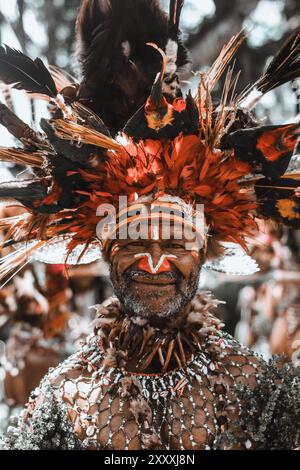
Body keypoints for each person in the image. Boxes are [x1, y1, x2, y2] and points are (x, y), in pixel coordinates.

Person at [0, 0, 300, 451]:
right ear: (103, 248)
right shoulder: (61, 404)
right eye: (132, 238)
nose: (155, 260)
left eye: (177, 240)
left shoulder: (260, 396)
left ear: (205, 247)